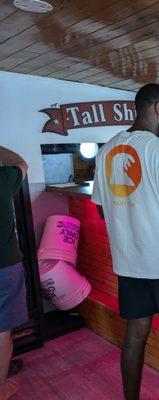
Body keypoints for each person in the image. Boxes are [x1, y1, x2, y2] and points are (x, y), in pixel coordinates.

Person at [92, 84, 159, 400]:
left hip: (130, 265)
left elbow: (102, 209)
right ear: (157, 108)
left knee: (135, 336)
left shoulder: (107, 150)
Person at [0, 146, 29, 400]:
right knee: (2, 330)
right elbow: (22, 164)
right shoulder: (4, 178)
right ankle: (1, 388)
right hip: (4, 266)